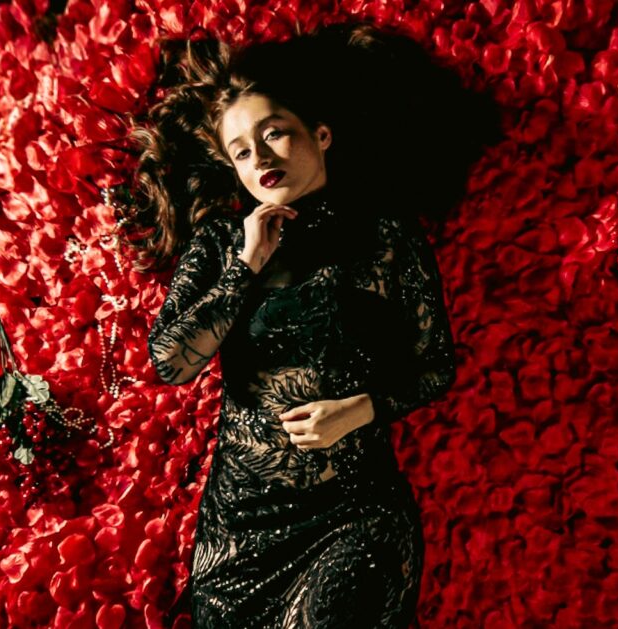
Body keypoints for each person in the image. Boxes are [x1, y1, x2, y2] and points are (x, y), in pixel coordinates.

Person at [125, 22, 481, 628]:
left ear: (321, 134)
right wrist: (246, 266)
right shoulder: (221, 242)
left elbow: (435, 365)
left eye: (274, 134)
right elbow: (170, 362)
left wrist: (363, 409)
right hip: (239, 532)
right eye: (242, 151)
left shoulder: (384, 238)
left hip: (354, 514)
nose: (261, 158)